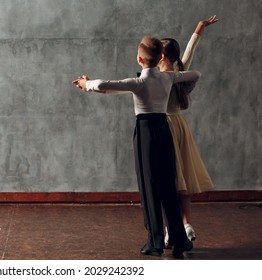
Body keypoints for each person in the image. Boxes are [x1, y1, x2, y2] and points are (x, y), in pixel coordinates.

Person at [72, 36, 200, 258]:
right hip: (164, 130)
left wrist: (86, 84)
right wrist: (173, 76)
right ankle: (179, 241)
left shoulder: (138, 82)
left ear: (139, 59)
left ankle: (155, 242)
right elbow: (195, 74)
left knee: (149, 187)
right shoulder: (167, 79)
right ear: (161, 57)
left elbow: (105, 85)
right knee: (168, 185)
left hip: (145, 133)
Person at [159, 16, 218, 248]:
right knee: (182, 177)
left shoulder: (158, 79)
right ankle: (186, 224)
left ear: (161, 57)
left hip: (164, 126)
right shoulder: (179, 73)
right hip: (181, 126)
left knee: (169, 180)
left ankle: (169, 229)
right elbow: (188, 55)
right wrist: (199, 29)